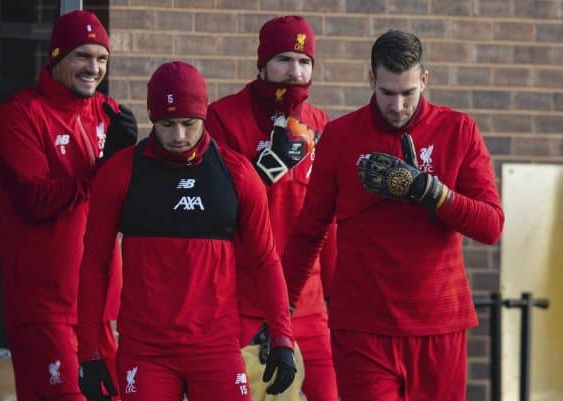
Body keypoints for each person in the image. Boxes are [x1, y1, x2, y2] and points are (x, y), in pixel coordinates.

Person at [282, 30, 505, 401]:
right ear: (371, 79)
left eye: (408, 93)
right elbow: (309, 230)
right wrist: (281, 311)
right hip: (363, 327)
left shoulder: (458, 130)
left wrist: (431, 192)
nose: (398, 106)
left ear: (424, 79)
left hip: (440, 323)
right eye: (387, 93)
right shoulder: (340, 136)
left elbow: (491, 226)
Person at [75, 61, 296, 401]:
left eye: (188, 123)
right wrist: (88, 352)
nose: (178, 136)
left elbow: (266, 261)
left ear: (204, 117)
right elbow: (95, 263)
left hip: (216, 348)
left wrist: (282, 338)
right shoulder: (121, 175)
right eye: (167, 124)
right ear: (153, 119)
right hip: (146, 352)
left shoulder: (237, 176)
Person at [0, 10, 137, 401]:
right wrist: (103, 170)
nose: (93, 67)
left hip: (102, 305)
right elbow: (35, 199)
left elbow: (129, 205)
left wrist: (134, 165)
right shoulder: (20, 115)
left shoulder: (110, 113)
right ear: (56, 57)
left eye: (101, 58)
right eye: (81, 56)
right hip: (45, 306)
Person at [205, 15, 338, 401]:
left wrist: (335, 294)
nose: (294, 72)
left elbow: (328, 221)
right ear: (261, 64)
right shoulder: (222, 118)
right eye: (284, 60)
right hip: (243, 302)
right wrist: (264, 170)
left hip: (308, 304)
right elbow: (215, 211)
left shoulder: (319, 123)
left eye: (304, 62)